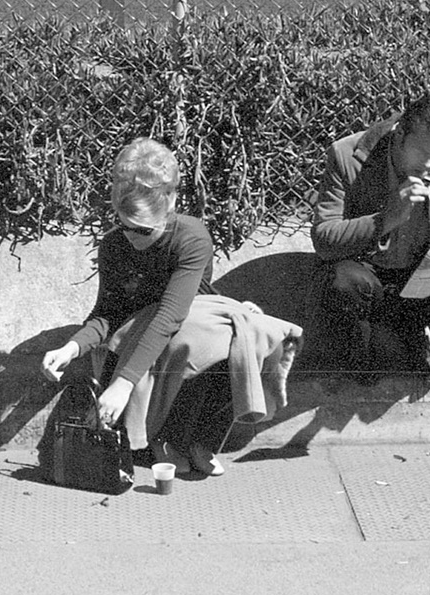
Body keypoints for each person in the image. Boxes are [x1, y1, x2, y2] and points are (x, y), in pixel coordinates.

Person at [39, 139, 300, 477]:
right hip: (137, 337)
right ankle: (165, 440)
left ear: (172, 203)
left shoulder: (191, 237)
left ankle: (198, 441)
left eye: (144, 229)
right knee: (193, 337)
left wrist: (123, 384)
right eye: (125, 225)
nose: (133, 237)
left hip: (182, 327)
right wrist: (71, 347)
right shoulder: (115, 246)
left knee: (235, 334)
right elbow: (107, 313)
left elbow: (172, 314)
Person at [311, 94, 430, 381]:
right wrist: (386, 219)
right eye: (423, 153)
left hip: (420, 275)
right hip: (367, 276)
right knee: (348, 288)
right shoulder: (346, 155)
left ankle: (424, 335)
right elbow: (324, 237)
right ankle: (369, 349)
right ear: (399, 134)